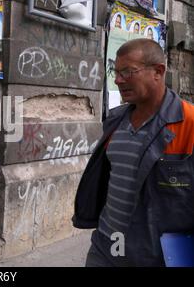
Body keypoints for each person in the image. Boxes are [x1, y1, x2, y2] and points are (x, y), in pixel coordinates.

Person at [73, 38, 194, 267]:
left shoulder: (189, 123)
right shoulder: (116, 120)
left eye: (128, 72)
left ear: (158, 71)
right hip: (106, 246)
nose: (118, 80)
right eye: (116, 72)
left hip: (157, 256)